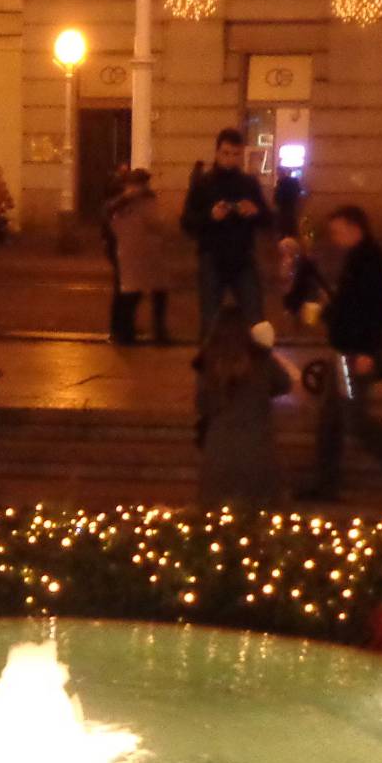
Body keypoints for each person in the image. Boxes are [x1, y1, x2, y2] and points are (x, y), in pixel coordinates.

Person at [306, 205, 382, 503]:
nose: (334, 237)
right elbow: (352, 306)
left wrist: (367, 352)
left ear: (354, 227)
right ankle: (325, 484)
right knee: (330, 421)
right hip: (344, 351)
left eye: (337, 231)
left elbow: (374, 312)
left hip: (353, 355)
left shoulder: (370, 262)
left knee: (353, 420)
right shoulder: (360, 259)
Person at [181, 128, 272, 337]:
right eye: (225, 153)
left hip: (243, 258)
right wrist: (211, 216)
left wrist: (255, 212)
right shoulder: (203, 183)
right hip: (212, 257)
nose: (230, 159)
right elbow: (187, 223)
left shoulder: (249, 183)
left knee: (255, 319)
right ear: (217, 152)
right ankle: (210, 366)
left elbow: (267, 220)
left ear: (241, 155)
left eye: (235, 154)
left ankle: (256, 365)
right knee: (210, 320)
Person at [195, 310, 290, 507]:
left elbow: (201, 404)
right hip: (257, 447)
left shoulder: (207, 362)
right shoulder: (261, 359)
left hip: (219, 449)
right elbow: (284, 383)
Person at [105, 168, 170, 345]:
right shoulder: (124, 202)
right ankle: (125, 332)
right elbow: (156, 223)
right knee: (130, 294)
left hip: (142, 253)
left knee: (141, 293)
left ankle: (127, 332)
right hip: (131, 254)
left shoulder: (131, 201)